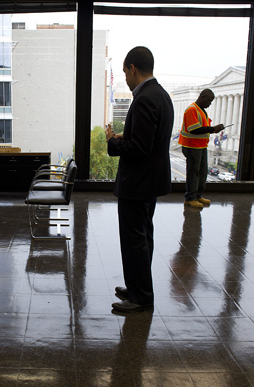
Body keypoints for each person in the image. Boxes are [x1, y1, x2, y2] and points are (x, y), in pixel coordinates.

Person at [105, 46, 174, 313]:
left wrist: (113, 142)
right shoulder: (161, 95)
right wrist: (126, 137)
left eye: (125, 72)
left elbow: (139, 149)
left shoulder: (144, 98)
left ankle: (141, 296)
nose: (124, 77)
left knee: (134, 239)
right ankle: (137, 286)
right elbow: (150, 140)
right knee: (143, 236)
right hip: (150, 182)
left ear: (133, 68)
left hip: (138, 183)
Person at [178, 89, 225, 208]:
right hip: (192, 146)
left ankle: (198, 196)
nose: (210, 104)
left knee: (202, 172)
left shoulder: (201, 110)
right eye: (209, 101)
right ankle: (190, 198)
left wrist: (212, 129)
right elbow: (194, 129)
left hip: (201, 146)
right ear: (202, 97)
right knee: (193, 173)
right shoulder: (192, 109)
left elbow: (202, 128)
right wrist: (212, 129)